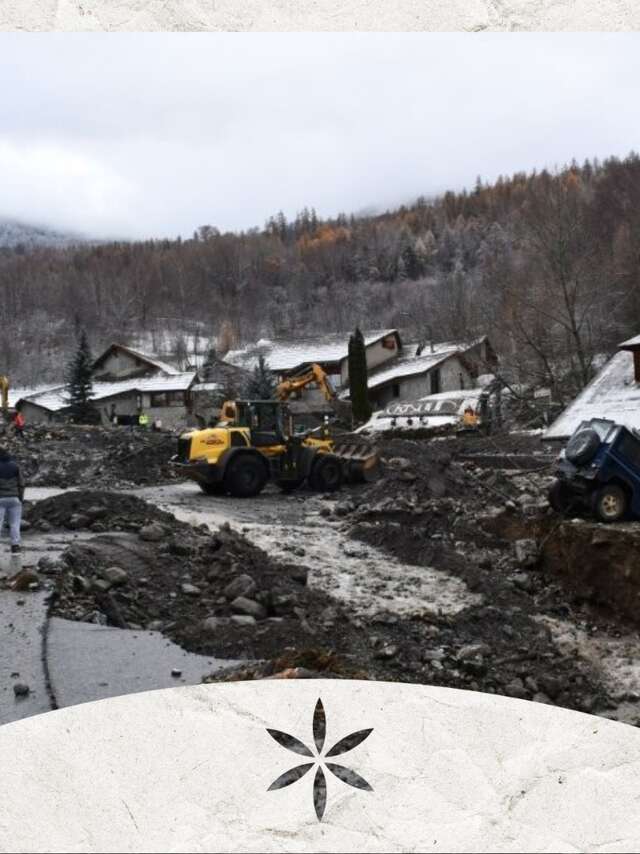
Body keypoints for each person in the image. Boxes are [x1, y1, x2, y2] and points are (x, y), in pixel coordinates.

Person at [0, 447, 24, 553]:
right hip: (14, 499)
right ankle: (15, 545)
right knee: (15, 523)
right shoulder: (15, 466)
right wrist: (20, 498)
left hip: (0, 499)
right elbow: (21, 484)